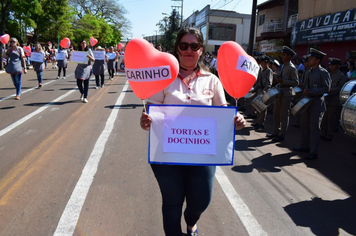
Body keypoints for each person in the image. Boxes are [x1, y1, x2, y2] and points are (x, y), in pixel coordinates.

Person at [139, 28, 246, 236]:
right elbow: (152, 113)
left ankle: (191, 220)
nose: (189, 50)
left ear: (201, 50)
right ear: (177, 49)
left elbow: (222, 114)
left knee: (201, 200)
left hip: (203, 154)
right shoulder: (164, 77)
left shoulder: (212, 80)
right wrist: (145, 122)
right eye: (184, 45)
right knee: (171, 202)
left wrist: (236, 121)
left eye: (194, 46)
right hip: (167, 154)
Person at [293, 48, 331, 160]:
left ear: (318, 60)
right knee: (304, 126)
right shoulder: (308, 71)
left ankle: (313, 152)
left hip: (317, 103)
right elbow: (306, 85)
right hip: (307, 102)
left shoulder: (323, 72)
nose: (309, 60)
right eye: (309, 58)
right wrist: (304, 88)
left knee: (314, 128)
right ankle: (304, 146)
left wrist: (312, 92)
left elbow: (326, 88)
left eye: (312, 58)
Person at [266, 46, 298, 142]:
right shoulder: (283, 66)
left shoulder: (292, 68)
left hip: (286, 93)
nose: (282, 56)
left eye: (284, 55)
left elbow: (295, 82)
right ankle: (276, 132)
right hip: (279, 92)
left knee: (284, 115)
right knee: (276, 113)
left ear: (289, 56)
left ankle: (282, 134)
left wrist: (283, 81)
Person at [320, 58, 347, 141]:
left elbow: (341, 88)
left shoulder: (341, 76)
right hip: (326, 99)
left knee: (331, 118)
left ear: (338, 66)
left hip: (334, 100)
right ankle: (323, 133)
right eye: (330, 65)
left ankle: (329, 135)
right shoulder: (329, 74)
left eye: (333, 65)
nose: (331, 67)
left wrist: (331, 90)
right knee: (324, 118)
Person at [251, 55, 273, 131]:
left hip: (264, 91)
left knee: (262, 108)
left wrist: (265, 90)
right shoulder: (261, 70)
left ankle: (261, 124)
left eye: (264, 63)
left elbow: (269, 83)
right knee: (258, 107)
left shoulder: (269, 71)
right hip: (259, 90)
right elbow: (258, 81)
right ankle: (258, 122)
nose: (263, 65)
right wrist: (255, 89)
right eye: (262, 63)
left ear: (267, 64)